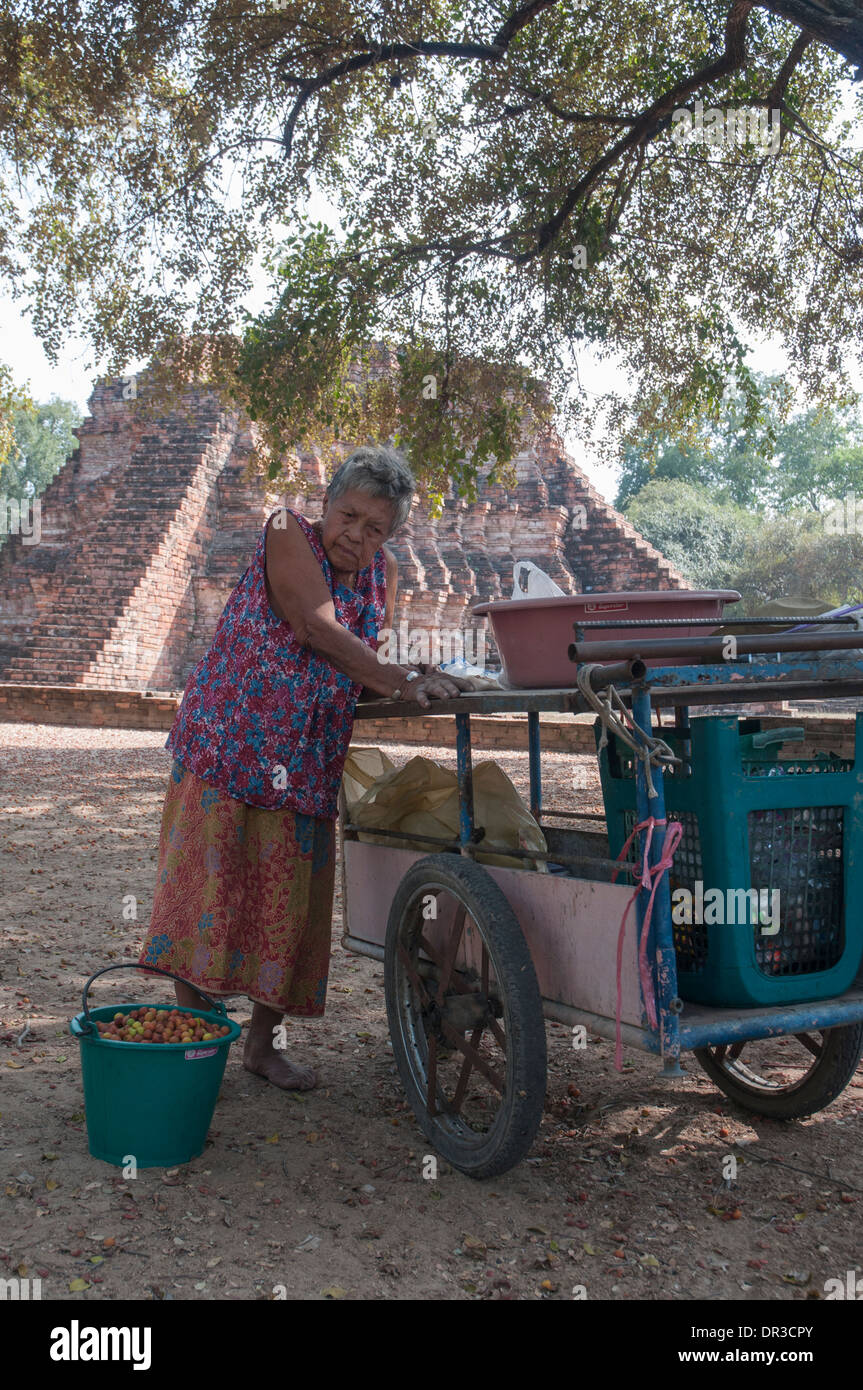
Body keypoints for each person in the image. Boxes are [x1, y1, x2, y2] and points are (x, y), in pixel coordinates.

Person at [137, 444, 460, 1089]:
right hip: (231, 741)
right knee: (208, 887)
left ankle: (263, 1045)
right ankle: (198, 1040)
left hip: (307, 758)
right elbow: (314, 628)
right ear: (325, 506)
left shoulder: (383, 573)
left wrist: (420, 678)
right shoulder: (287, 532)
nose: (357, 536)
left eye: (376, 528)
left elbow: (356, 663)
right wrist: (397, 680)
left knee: (287, 908)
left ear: (391, 535)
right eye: (348, 516)